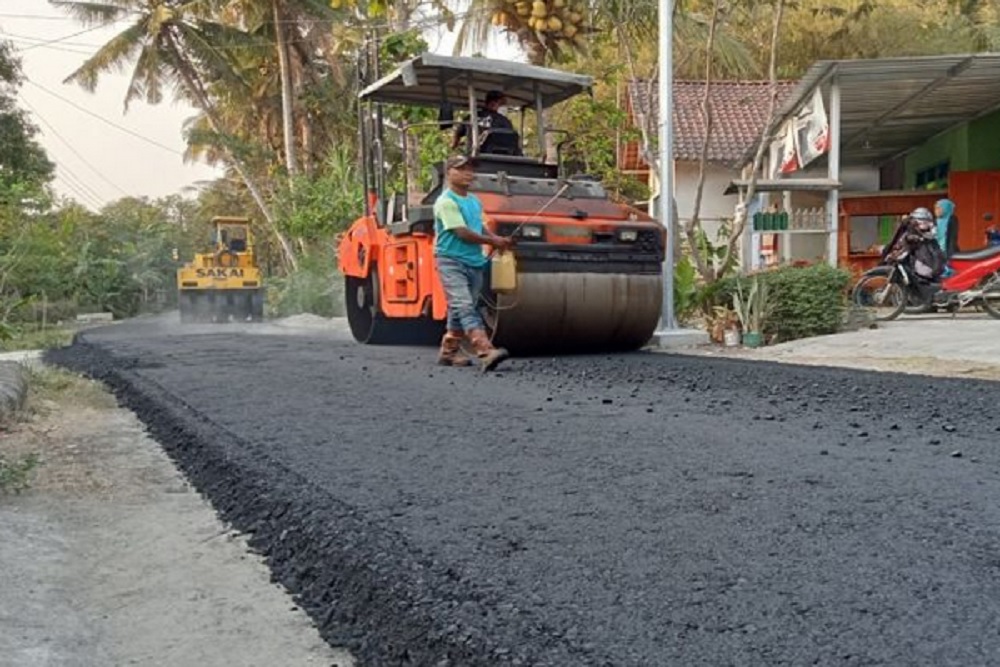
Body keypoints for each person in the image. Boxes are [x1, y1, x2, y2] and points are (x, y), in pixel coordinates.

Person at [433, 155, 514, 372]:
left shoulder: (474, 201)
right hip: (451, 260)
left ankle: (448, 352)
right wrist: (492, 241)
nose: (468, 173)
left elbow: (477, 227)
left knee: (459, 307)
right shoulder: (446, 202)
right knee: (464, 305)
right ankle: (485, 350)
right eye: (461, 169)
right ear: (448, 172)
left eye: (470, 169)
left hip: (474, 262)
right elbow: (461, 232)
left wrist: (497, 239)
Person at [451, 90, 522, 156]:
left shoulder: (472, 117)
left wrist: (454, 146)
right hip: (491, 155)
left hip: (477, 155)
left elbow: (457, 134)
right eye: (499, 102)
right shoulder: (504, 121)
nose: (496, 104)